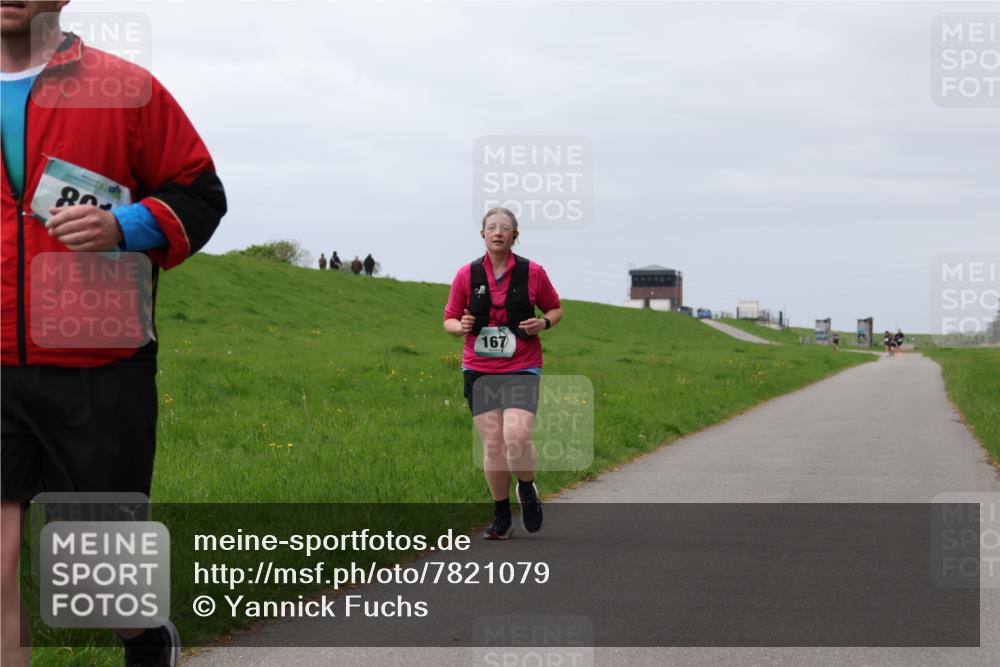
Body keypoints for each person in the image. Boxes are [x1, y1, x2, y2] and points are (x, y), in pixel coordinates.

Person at [1, 4, 226, 666]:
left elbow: (201, 195)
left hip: (99, 364)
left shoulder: (126, 89)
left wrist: (125, 227)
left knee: (99, 581)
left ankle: (148, 635)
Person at [443, 207, 562, 540]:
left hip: (521, 366)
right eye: (491, 227)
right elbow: (449, 319)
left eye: (505, 228)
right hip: (479, 370)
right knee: (493, 445)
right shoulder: (466, 275)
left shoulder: (533, 272)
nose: (498, 232)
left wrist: (544, 322)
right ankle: (501, 517)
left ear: (514, 235)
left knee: (517, 437)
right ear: (482, 234)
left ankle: (526, 488)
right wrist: (460, 326)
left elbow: (555, 308)